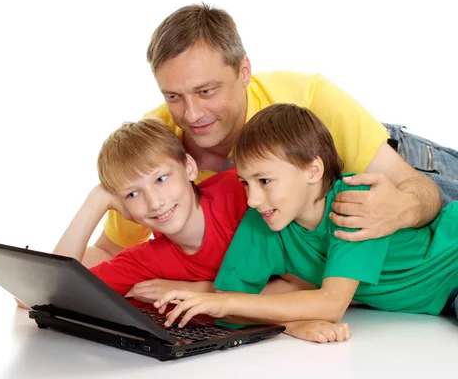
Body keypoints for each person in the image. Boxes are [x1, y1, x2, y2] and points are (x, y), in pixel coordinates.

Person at [86, 2, 458, 266]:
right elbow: (107, 252)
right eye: (173, 97)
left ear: (244, 71)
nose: (192, 114)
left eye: (206, 91)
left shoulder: (311, 99)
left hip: (410, 162)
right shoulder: (157, 151)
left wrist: (403, 209)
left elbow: (419, 190)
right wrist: (96, 202)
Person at [152, 103, 458, 337]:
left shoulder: (354, 202)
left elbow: (331, 304)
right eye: (246, 183)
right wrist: (291, 324)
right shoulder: (263, 220)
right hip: (439, 302)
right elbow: (232, 301)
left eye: (265, 181)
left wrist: (226, 304)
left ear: (313, 171)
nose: (253, 199)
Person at [36, 117, 353, 342]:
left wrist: (197, 292)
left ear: (189, 167)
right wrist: (94, 202)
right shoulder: (146, 261)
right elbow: (44, 296)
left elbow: (305, 281)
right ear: (124, 208)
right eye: (133, 194)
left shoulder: (243, 193)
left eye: (161, 179)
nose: (155, 201)